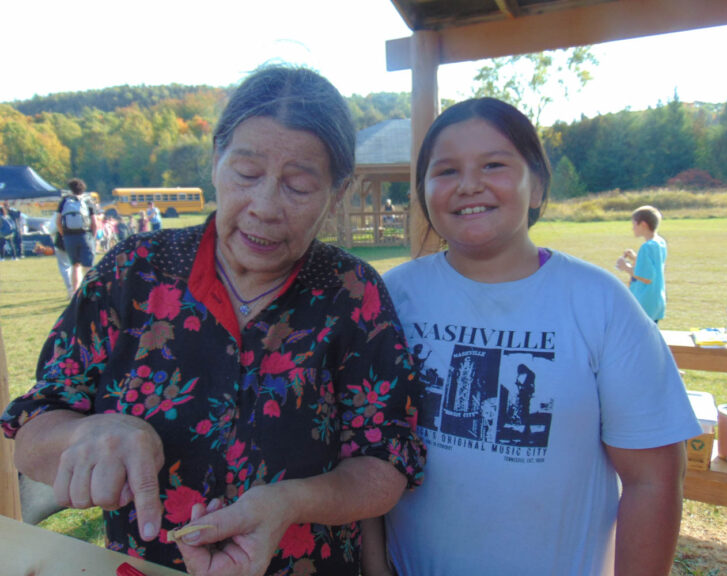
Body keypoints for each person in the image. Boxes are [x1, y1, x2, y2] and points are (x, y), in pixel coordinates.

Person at [1, 65, 425, 576]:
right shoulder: (131, 274)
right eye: (246, 174)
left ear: (338, 193)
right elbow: (34, 429)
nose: (265, 206)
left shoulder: (352, 293)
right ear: (215, 161)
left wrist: (290, 502)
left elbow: (385, 464)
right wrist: (82, 436)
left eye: (298, 186)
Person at [366, 98, 700, 576]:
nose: (469, 185)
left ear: (538, 185)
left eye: (494, 164)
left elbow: (654, 480)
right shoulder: (394, 296)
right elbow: (368, 448)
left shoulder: (600, 304)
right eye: (445, 171)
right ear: (423, 191)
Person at [616, 205, 667, 323]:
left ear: (643, 224)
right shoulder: (659, 242)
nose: (632, 228)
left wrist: (625, 267)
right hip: (656, 299)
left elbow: (646, 277)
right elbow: (654, 264)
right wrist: (635, 258)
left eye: (634, 224)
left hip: (644, 301)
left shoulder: (646, 247)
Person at [57, 178, 97, 293]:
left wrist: (64, 234)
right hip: (85, 235)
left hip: (69, 236)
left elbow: (58, 221)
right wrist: (92, 238)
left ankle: (75, 292)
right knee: (88, 266)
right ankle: (92, 290)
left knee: (75, 265)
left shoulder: (65, 201)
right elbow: (94, 223)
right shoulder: (87, 201)